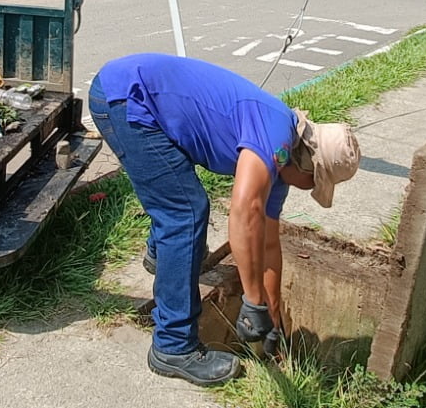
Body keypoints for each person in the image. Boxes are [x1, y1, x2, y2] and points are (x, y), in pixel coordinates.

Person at [88, 54, 361, 387]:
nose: (309, 190)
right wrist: (252, 300)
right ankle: (173, 347)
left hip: (137, 96)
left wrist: (272, 319)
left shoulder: (281, 164)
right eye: (314, 184)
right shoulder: (275, 141)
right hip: (127, 98)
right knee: (185, 213)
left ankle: (162, 254)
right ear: (309, 168)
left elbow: (268, 245)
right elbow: (242, 214)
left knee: (181, 210)